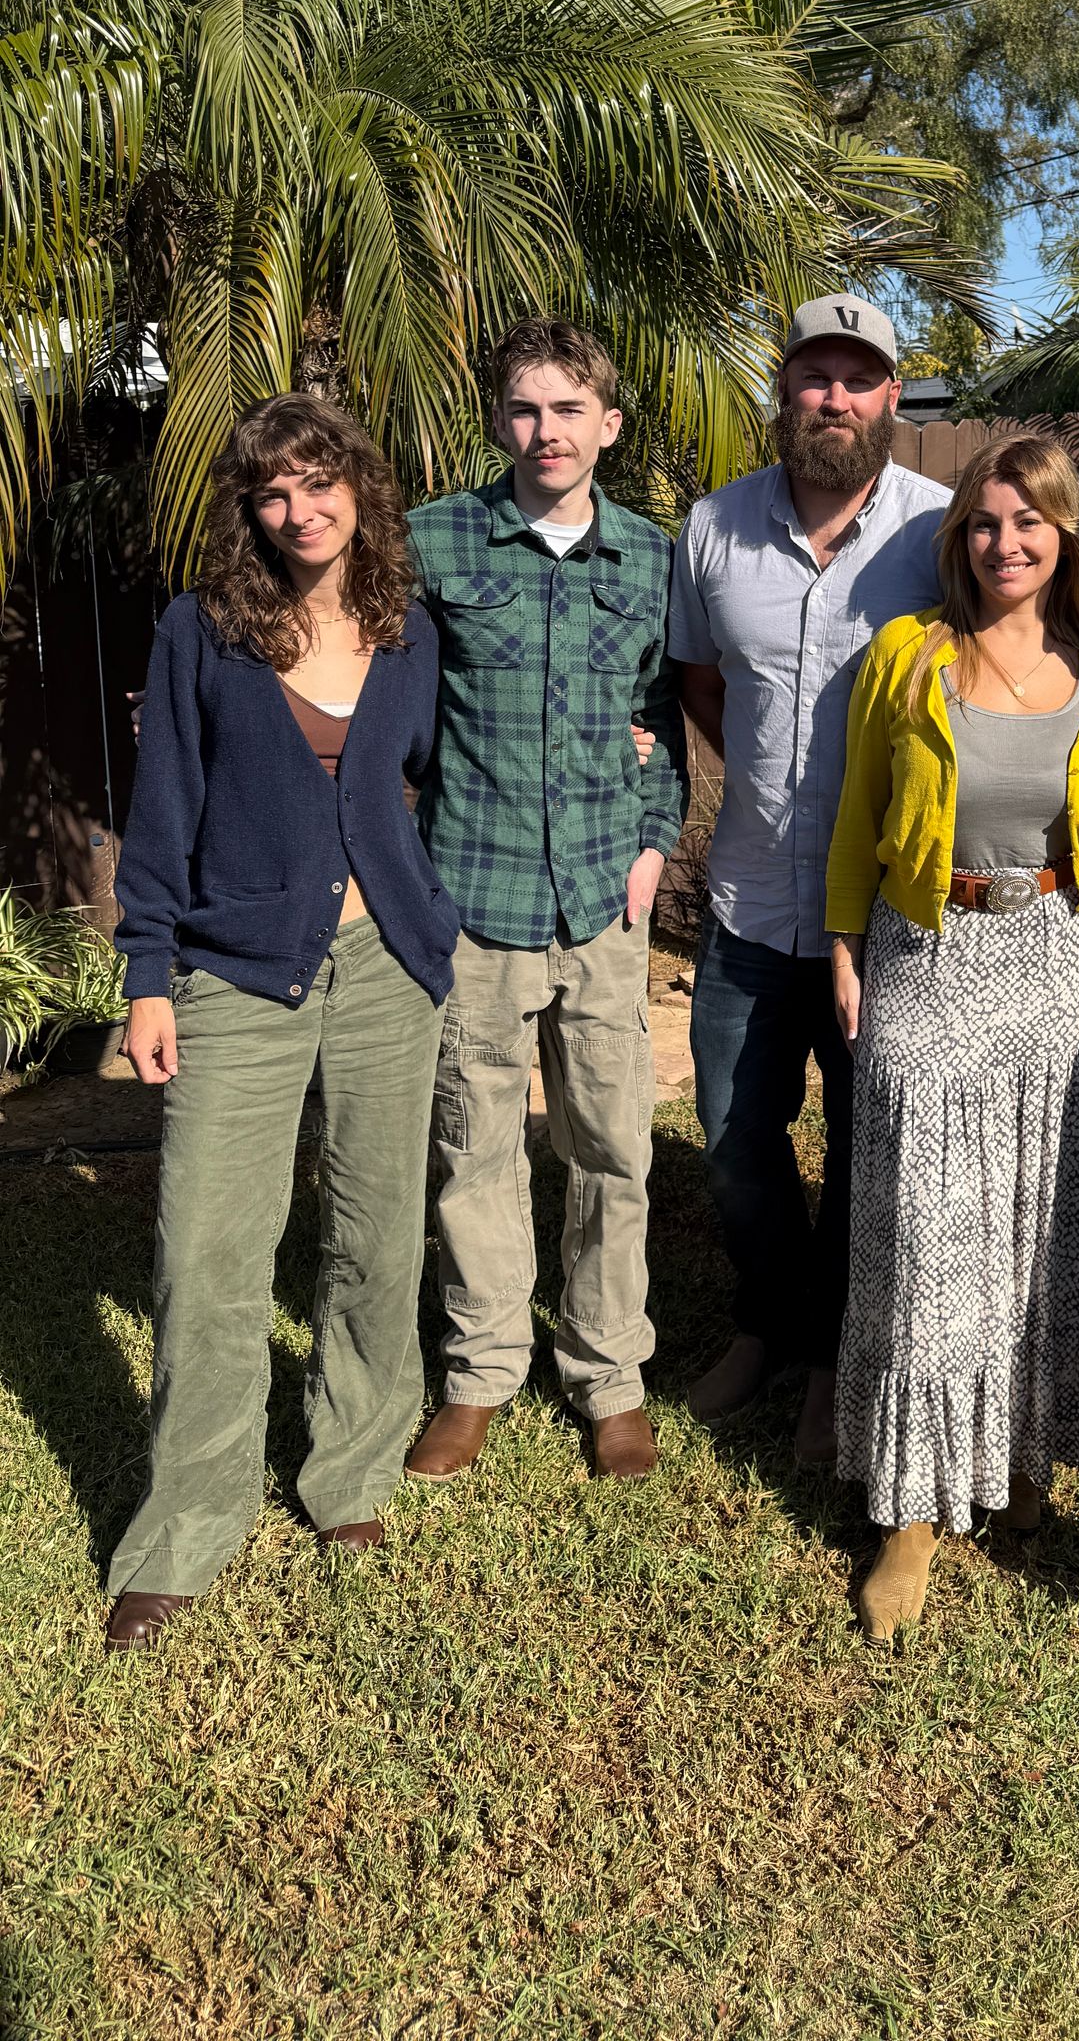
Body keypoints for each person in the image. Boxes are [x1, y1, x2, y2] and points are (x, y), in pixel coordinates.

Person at [106, 397, 460, 1651]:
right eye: (271, 493)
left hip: (385, 969)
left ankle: (349, 1471)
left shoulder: (409, 631)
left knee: (374, 1231)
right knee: (207, 1247)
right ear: (245, 511)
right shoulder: (202, 632)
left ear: (360, 486)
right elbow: (163, 813)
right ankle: (188, 1519)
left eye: (319, 483)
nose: (299, 511)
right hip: (236, 974)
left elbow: (437, 774)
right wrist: (148, 973)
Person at [824, 436, 1079, 1640]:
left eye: (1030, 522)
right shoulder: (907, 658)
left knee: (1044, 1224)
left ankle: (1015, 1453)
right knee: (927, 1229)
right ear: (959, 538)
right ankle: (909, 1505)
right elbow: (857, 812)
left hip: (1067, 958)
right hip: (931, 948)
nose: (1005, 543)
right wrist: (848, 948)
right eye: (983, 523)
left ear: (1065, 534)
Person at [404, 318, 687, 1485]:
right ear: (498, 420)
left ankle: (608, 1372)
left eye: (570, 409)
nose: (546, 431)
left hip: (604, 905)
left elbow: (662, 720)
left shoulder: (650, 561)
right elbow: (392, 714)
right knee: (474, 1146)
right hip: (475, 894)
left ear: (608, 426)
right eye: (525, 409)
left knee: (613, 1143)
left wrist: (657, 842)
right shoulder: (436, 542)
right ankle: (479, 1368)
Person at [669, 295, 947, 1468]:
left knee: (869, 1141)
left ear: (893, 397)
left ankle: (836, 1357)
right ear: (782, 393)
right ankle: (772, 1320)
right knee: (734, 1133)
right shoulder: (715, 527)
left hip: (887, 913)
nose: (834, 398)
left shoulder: (940, 532)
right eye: (814, 377)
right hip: (747, 898)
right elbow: (698, 678)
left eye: (859, 378)